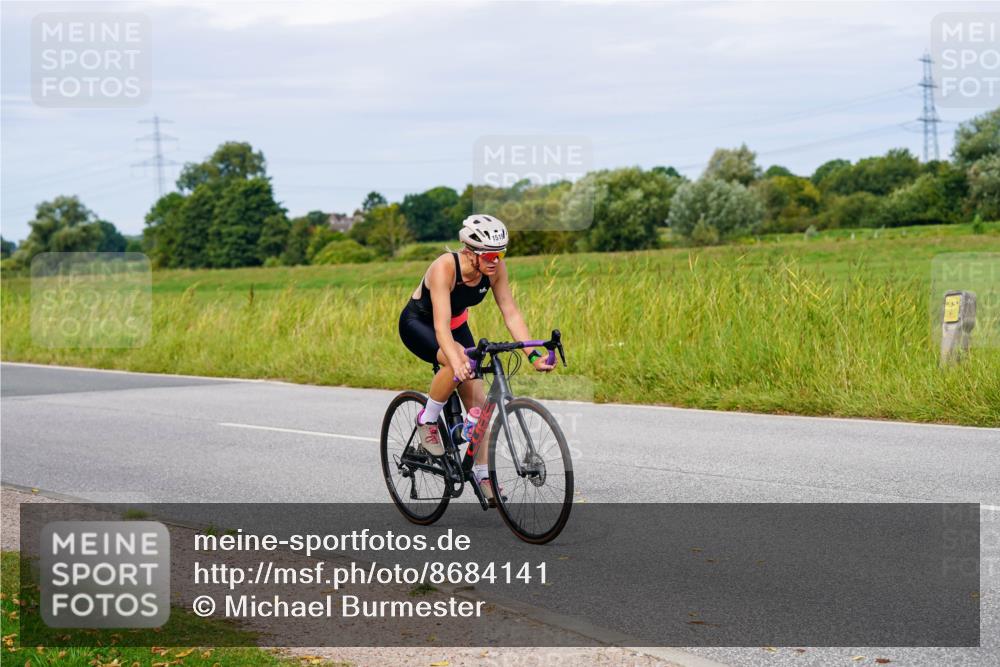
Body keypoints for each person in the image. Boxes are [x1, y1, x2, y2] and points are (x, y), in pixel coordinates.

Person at [397, 214, 554, 503]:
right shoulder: (444, 267)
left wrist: (532, 353)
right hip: (419, 323)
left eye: (502, 253)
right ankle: (427, 419)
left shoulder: (495, 269)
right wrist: (455, 360)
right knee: (456, 361)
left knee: (479, 406)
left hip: (457, 325)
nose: (496, 260)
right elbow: (440, 326)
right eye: (491, 254)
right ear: (469, 252)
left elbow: (511, 312)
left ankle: (482, 475)